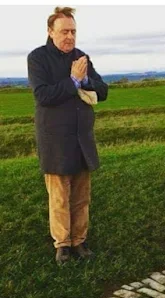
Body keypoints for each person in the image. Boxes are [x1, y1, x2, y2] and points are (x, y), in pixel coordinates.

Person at [27, 7, 108, 264]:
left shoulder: (82, 56)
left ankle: (79, 241)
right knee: (60, 196)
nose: (70, 36)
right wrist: (73, 80)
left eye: (73, 31)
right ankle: (62, 245)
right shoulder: (38, 58)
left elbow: (103, 90)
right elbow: (43, 95)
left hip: (81, 138)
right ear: (50, 32)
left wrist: (84, 81)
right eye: (64, 31)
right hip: (55, 139)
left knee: (81, 195)